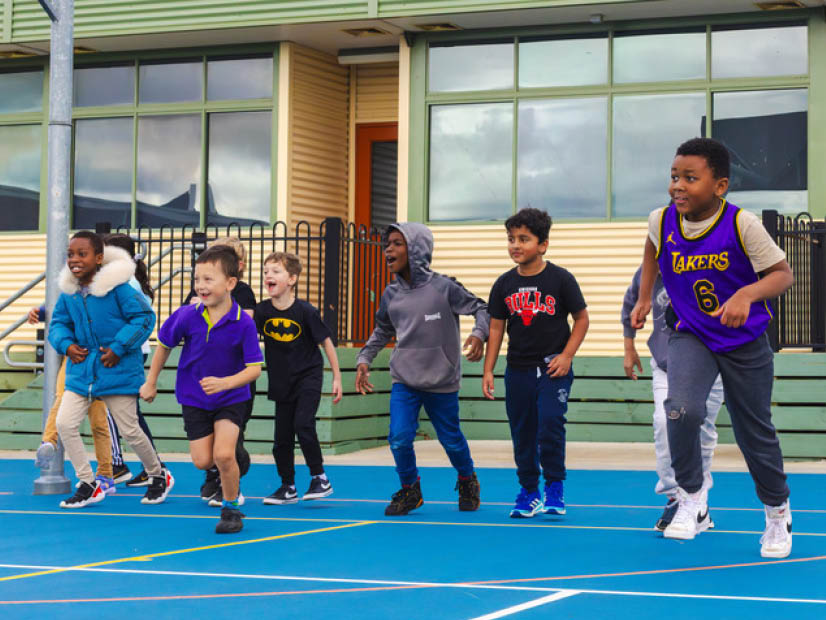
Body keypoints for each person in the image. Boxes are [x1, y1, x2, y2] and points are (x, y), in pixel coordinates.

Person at [630, 137, 794, 558]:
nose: (677, 186)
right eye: (673, 177)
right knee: (679, 410)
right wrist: (646, 296)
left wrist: (746, 296)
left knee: (753, 432)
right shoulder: (661, 220)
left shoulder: (742, 224)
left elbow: (782, 275)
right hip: (693, 333)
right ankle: (691, 499)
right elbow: (652, 250)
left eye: (690, 178)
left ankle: (777, 513)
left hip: (743, 339)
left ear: (719, 186)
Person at [356, 223, 489, 516]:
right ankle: (410, 490)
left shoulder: (444, 288)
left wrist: (479, 333)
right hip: (405, 380)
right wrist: (365, 358)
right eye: (386, 244)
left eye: (396, 243)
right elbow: (382, 329)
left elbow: (482, 308)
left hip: (441, 380)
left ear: (417, 250)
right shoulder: (391, 295)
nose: (387, 249)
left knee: (451, 439)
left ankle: (467, 479)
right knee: (400, 437)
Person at [141, 245, 263, 534]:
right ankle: (238, 456)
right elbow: (165, 345)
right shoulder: (187, 315)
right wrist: (151, 380)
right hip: (194, 397)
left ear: (230, 283)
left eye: (209, 279)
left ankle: (231, 509)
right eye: (197, 279)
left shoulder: (243, 322)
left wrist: (225, 383)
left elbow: (254, 368)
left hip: (231, 398)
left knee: (222, 456)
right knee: (203, 461)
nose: (201, 286)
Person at [48, 231, 169, 508]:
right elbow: (58, 324)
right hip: (81, 372)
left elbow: (144, 318)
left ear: (99, 258)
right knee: (64, 424)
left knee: (130, 431)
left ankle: (158, 474)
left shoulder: (119, 289)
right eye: (70, 254)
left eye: (82, 254)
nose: (74, 260)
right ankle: (89, 483)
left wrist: (119, 346)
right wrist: (66, 345)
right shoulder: (69, 294)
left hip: (117, 369)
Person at [482, 208, 589, 518]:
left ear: (542, 245)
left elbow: (581, 319)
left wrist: (567, 355)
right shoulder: (503, 284)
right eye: (511, 239)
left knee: (551, 424)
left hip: (553, 368)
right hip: (517, 370)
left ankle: (555, 485)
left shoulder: (561, 279)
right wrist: (489, 369)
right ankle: (530, 490)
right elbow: (495, 328)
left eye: (524, 239)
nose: (516, 245)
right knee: (523, 432)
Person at [621, 267, 724, 530]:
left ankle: (698, 501)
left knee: (701, 430)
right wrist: (629, 346)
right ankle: (674, 497)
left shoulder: (707, 264)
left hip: (712, 361)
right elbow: (630, 304)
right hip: (666, 363)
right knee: (665, 424)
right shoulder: (647, 273)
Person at [254, 252, 342, 505]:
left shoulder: (305, 311)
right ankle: (287, 486)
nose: (268, 275)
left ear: (291, 279)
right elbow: (245, 333)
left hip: (308, 376)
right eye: (266, 271)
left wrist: (336, 377)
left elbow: (326, 342)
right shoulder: (262, 311)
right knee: (281, 438)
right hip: (282, 381)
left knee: (303, 424)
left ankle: (320, 478)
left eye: (276, 271)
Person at [184, 236, 255, 505]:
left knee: (226, 448)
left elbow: (246, 319)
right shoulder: (198, 297)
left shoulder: (242, 295)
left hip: (234, 380)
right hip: (201, 382)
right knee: (206, 455)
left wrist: (228, 382)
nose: (202, 285)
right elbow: (184, 319)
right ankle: (214, 473)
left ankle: (230, 492)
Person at [101, 233, 171, 489]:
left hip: (126, 351)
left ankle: (136, 465)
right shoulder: (125, 280)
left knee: (119, 410)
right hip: (129, 349)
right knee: (129, 412)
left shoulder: (125, 282)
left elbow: (140, 317)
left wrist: (117, 343)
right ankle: (151, 465)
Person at [29, 305, 117, 494]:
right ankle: (49, 442)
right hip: (74, 357)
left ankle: (105, 474)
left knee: (98, 421)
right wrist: (42, 311)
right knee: (62, 396)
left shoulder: (108, 293)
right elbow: (60, 309)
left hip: (98, 360)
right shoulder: (72, 292)